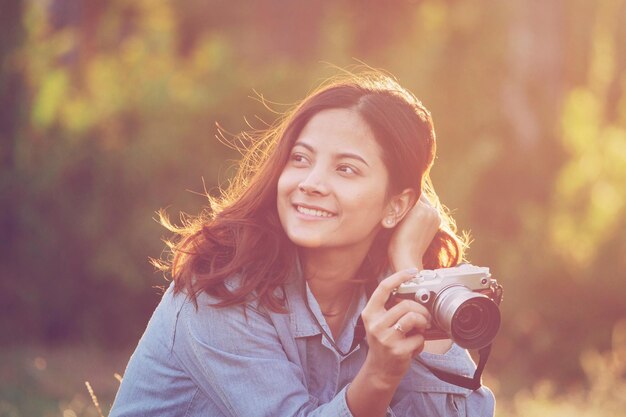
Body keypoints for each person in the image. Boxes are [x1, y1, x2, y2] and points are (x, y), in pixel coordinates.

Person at [109, 71, 496, 417]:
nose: (310, 182)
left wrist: (411, 271)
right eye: (300, 158)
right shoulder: (221, 290)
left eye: (345, 169)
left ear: (396, 206)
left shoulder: (383, 286)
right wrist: (378, 375)